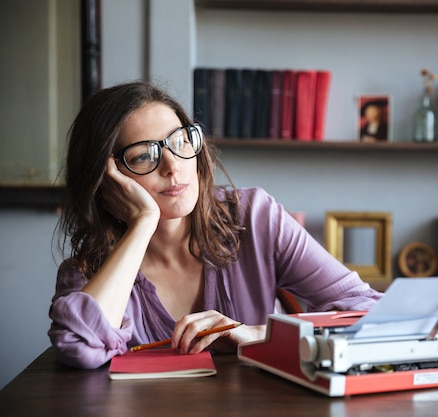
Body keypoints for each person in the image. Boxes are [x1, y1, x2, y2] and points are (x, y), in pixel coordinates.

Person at [48, 81, 382, 369]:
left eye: (180, 141)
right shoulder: (91, 269)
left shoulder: (254, 217)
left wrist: (258, 335)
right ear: (107, 180)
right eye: (143, 156)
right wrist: (142, 224)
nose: (172, 166)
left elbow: (368, 309)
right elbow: (78, 347)